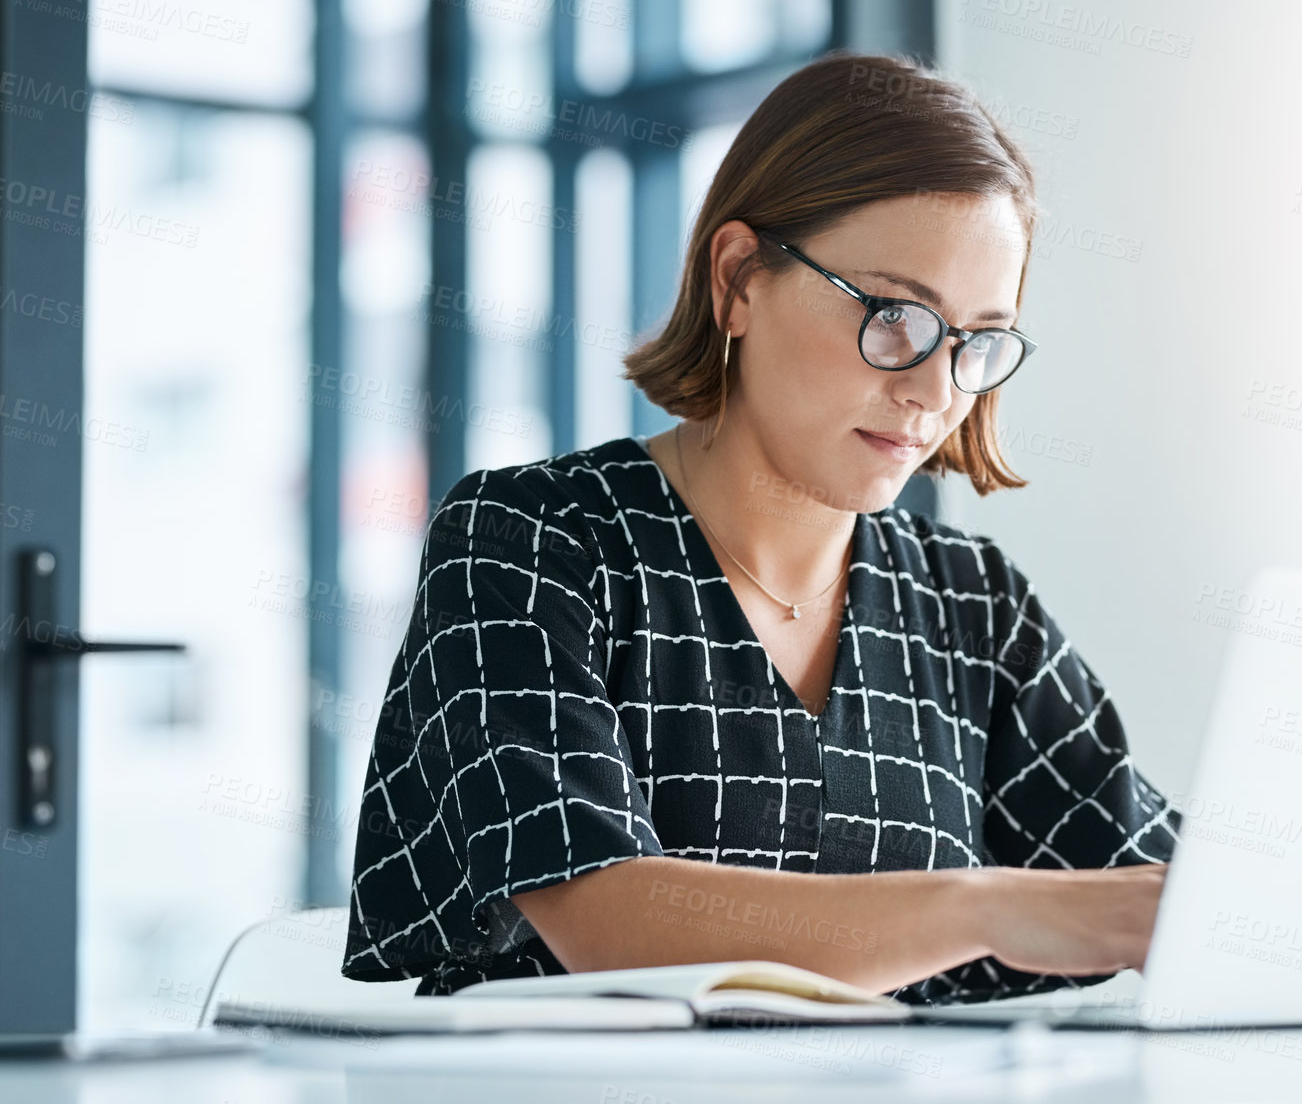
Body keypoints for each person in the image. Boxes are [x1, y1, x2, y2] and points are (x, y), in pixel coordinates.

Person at [342, 50, 1182, 1004]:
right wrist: (988, 908)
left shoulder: (969, 602)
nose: (932, 388)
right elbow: (609, 923)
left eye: (976, 341)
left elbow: (1171, 898)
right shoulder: (529, 544)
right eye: (896, 316)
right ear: (738, 278)